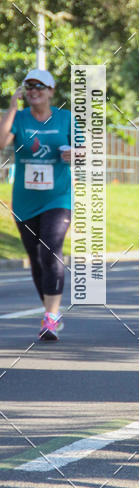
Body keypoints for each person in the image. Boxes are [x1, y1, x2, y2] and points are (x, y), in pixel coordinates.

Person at [0, 69, 72, 341]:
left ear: (51, 91)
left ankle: (50, 318)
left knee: (50, 249)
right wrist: (11, 108)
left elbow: (84, 149)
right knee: (36, 258)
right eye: (29, 86)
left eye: (40, 86)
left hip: (58, 198)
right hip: (25, 202)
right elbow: (1, 143)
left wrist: (74, 153)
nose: (34, 91)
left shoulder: (65, 118)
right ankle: (51, 312)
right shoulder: (19, 118)